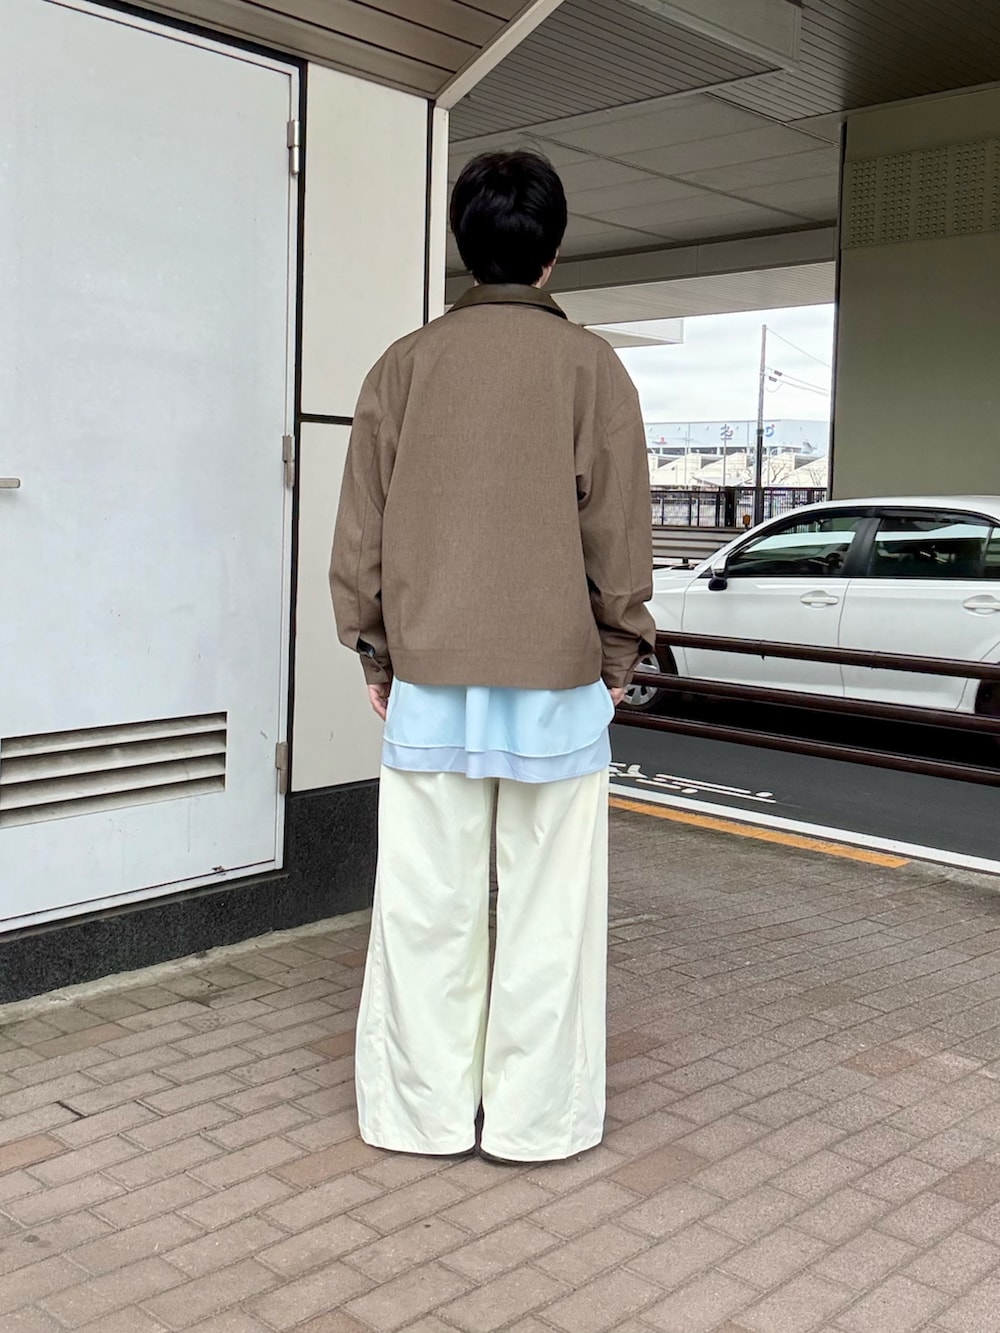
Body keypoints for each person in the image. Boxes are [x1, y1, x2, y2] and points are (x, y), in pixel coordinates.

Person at [329, 150, 654, 1164]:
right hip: (558, 677)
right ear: (552, 251)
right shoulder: (592, 369)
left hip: (430, 671)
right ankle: (535, 1121)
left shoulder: (403, 366)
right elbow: (618, 534)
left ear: (464, 247)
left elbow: (362, 531)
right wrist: (617, 653)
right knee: (551, 911)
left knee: (425, 905)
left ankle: (417, 1114)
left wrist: (375, 650)